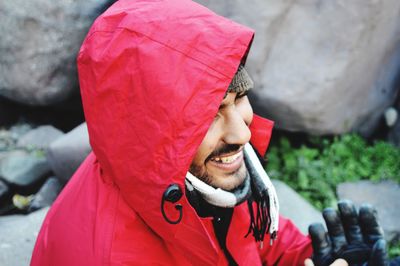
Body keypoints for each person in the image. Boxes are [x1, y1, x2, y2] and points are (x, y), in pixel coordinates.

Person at [30, 0, 397, 265]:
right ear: (150, 129)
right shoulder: (109, 255)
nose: (241, 133)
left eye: (239, 98)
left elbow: (256, 244)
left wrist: (311, 257)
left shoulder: (198, 177)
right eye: (209, 113)